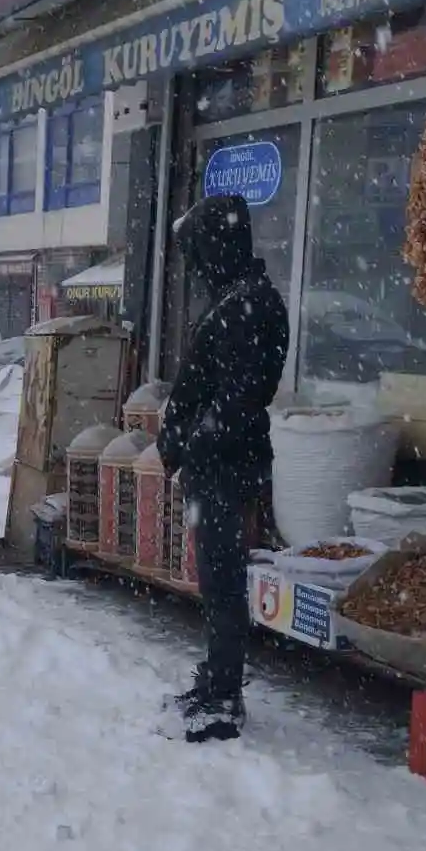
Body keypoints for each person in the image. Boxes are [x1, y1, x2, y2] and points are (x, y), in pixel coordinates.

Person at [158, 193, 289, 744]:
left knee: (224, 583)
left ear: (220, 245)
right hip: (215, 463)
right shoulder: (235, 298)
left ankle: (224, 697)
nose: (194, 265)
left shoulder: (249, 305)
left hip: (224, 465)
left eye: (197, 251)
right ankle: (215, 678)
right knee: (216, 582)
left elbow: (235, 402)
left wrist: (194, 443)